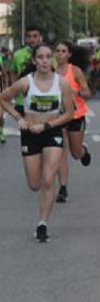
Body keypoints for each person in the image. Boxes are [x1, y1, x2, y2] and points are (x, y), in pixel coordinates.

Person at [0, 44, 76, 242]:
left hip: (51, 132)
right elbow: (3, 98)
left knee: (48, 179)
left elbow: (69, 113)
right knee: (34, 184)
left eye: (48, 57)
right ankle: (42, 197)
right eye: (40, 57)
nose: (44, 60)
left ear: (53, 61)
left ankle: (42, 224)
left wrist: (48, 125)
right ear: (34, 61)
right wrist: (19, 118)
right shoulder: (25, 83)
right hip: (30, 134)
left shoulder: (62, 83)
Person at [54, 40, 92, 203]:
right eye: (58, 51)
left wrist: (75, 91)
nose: (60, 54)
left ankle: (83, 150)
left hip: (76, 115)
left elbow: (87, 92)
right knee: (60, 152)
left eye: (63, 51)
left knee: (75, 154)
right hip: (58, 116)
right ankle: (63, 188)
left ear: (69, 54)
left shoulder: (75, 71)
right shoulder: (51, 71)